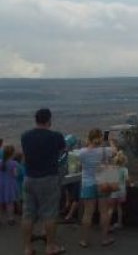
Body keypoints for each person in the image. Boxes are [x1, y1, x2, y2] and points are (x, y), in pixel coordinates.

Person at [20, 108, 67, 255]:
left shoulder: (25, 136)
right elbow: (63, 151)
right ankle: (50, 247)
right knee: (50, 214)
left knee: (27, 214)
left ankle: (28, 248)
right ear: (49, 120)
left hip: (29, 178)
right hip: (48, 178)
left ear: (36, 120)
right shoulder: (56, 136)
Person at [78, 128, 117, 248]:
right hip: (103, 182)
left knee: (88, 213)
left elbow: (81, 164)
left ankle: (84, 240)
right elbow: (115, 152)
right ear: (100, 138)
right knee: (103, 212)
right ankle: (104, 239)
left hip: (87, 183)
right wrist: (110, 141)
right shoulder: (106, 151)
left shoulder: (82, 152)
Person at [108, 150, 131, 231]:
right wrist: (130, 184)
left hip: (114, 190)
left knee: (111, 208)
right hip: (122, 190)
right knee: (119, 207)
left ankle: (107, 225)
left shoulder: (112, 169)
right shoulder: (125, 169)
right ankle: (119, 223)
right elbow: (127, 180)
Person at [0, 144, 19, 226]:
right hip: (9, 185)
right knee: (10, 203)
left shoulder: (0, 162)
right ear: (12, 154)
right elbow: (15, 174)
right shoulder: (13, 163)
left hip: (1, 184)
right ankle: (10, 218)